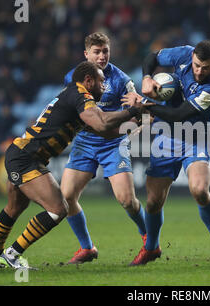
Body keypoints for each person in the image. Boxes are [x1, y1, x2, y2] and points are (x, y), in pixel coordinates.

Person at [0, 61, 142, 269]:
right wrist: (132, 111)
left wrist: (134, 125)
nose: (104, 86)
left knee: (15, 207)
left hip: (23, 154)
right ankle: (12, 254)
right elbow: (102, 122)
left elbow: (104, 131)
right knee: (59, 209)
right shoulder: (80, 94)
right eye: (102, 82)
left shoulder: (77, 101)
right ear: (88, 80)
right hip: (26, 158)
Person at [122, 40, 210, 266]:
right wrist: (147, 77)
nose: (199, 71)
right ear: (192, 56)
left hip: (196, 138)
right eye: (196, 65)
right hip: (166, 138)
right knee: (154, 202)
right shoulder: (183, 54)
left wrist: (144, 104)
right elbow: (153, 57)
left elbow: (179, 115)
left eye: (205, 67)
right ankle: (151, 248)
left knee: (199, 190)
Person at [61, 32, 147, 264]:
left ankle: (148, 238)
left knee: (127, 200)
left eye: (105, 51)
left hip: (113, 144)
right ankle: (87, 248)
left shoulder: (122, 80)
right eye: (96, 52)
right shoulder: (72, 77)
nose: (101, 56)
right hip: (84, 142)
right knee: (66, 197)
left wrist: (127, 129)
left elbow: (139, 114)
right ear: (86, 54)